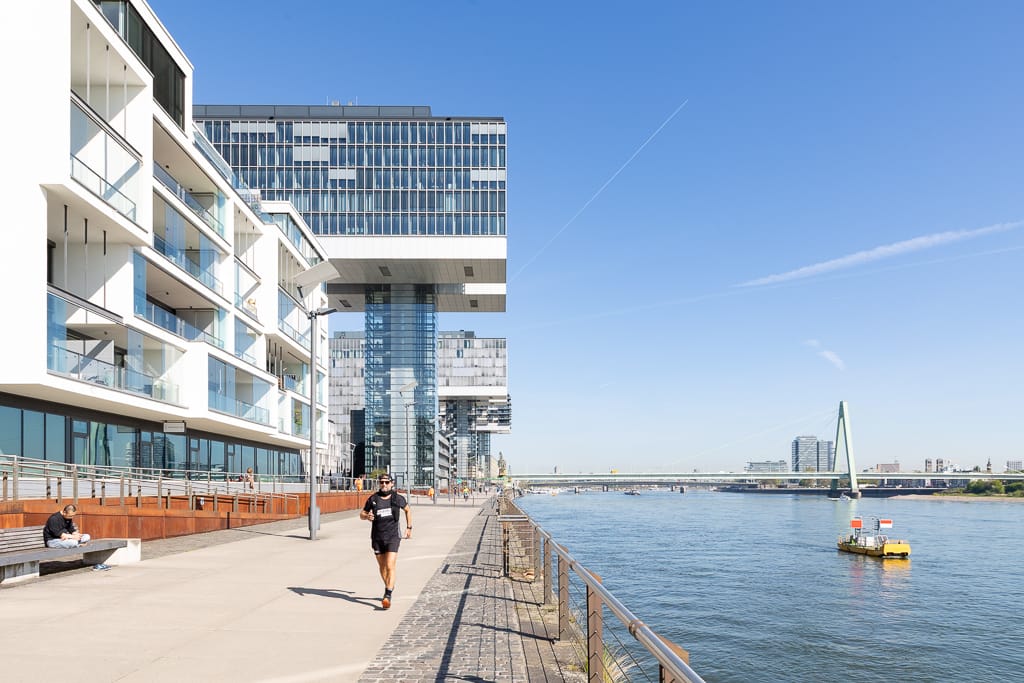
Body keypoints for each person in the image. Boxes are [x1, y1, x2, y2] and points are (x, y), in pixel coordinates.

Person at [359, 474, 412, 609]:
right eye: (381, 482)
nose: (384, 484)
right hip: (377, 537)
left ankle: (387, 595)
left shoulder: (397, 498)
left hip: (393, 537)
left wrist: (409, 527)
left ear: (391, 483)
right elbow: (362, 514)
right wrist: (367, 516)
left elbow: (407, 510)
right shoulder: (373, 499)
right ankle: (389, 585)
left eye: (386, 482)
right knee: (382, 567)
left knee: (390, 565)